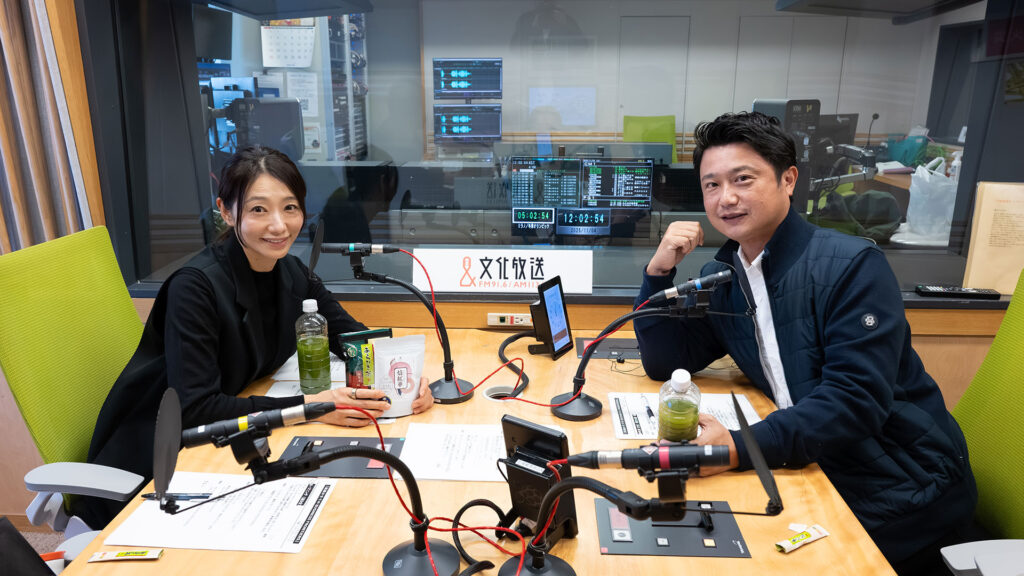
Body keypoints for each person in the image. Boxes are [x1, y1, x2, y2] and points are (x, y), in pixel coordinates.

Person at [634, 112, 976, 576]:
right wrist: (658, 273)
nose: (725, 198)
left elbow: (854, 402)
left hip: (902, 487)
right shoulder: (729, 277)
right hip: (815, 463)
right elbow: (666, 362)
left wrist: (735, 448)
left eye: (742, 179)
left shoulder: (852, 266)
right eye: (712, 185)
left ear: (788, 179)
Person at [77, 145, 434, 528]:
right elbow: (195, 408)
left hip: (226, 438)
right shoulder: (194, 288)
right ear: (227, 211)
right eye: (259, 209)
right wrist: (313, 407)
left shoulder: (291, 272)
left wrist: (404, 374)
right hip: (157, 462)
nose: (278, 225)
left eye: (290, 207)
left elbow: (352, 337)